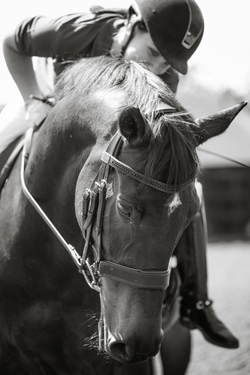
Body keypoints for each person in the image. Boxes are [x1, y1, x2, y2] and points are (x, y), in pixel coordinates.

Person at [1, 0, 238, 349]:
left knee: (189, 191)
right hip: (45, 103)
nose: (157, 66)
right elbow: (11, 41)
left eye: (167, 62)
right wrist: (32, 98)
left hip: (114, 140)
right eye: (154, 52)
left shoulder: (165, 75)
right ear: (133, 25)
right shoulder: (85, 28)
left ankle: (197, 300)